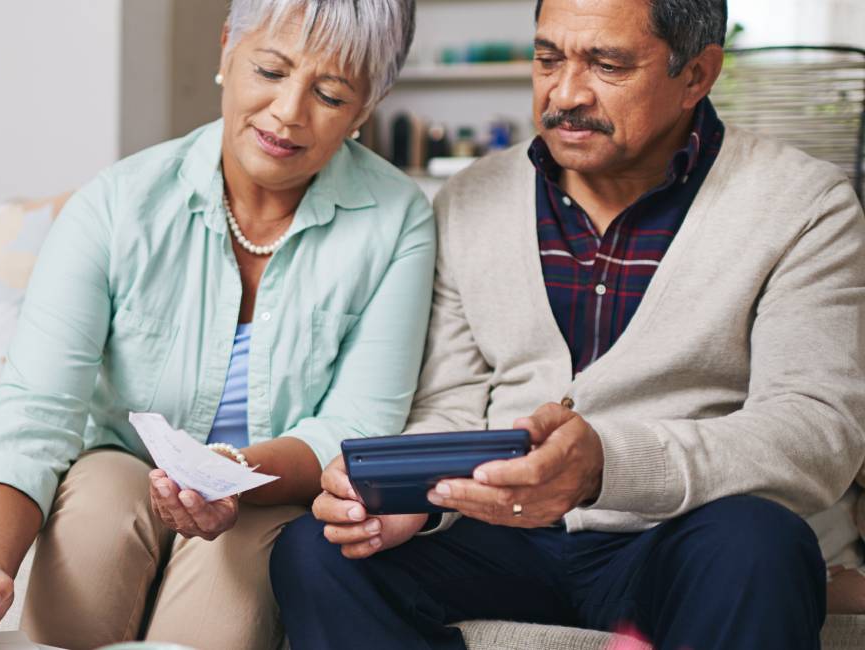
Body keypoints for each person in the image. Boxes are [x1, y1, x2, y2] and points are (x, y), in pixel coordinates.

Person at [270, 0, 865, 648]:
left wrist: (608, 465)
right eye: (547, 58)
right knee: (314, 552)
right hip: (503, 537)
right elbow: (451, 403)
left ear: (697, 74)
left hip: (680, 536)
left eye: (607, 65)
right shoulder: (468, 199)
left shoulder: (805, 205)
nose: (566, 93)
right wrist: (413, 495)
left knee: (757, 545)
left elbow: (814, 432)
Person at [0, 1, 429, 649]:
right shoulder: (116, 203)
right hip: (122, 466)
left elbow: (356, 426)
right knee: (99, 508)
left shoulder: (398, 220)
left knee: (230, 577)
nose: (289, 112)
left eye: (330, 93)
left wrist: (229, 471)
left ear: (365, 109)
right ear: (225, 52)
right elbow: (35, 408)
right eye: (270, 70)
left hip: (267, 487)